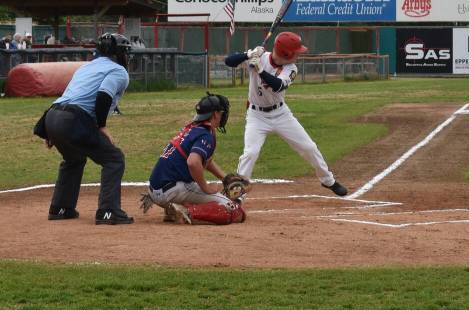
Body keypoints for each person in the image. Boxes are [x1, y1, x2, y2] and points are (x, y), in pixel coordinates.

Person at [225, 32, 348, 196]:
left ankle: (328, 181)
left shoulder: (291, 68)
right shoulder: (260, 57)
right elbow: (229, 61)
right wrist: (248, 54)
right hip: (257, 116)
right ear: (286, 53)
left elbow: (278, 86)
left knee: (309, 147)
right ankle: (237, 194)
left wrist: (260, 70)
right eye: (295, 52)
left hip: (281, 114)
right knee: (250, 153)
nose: (298, 55)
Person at [33, 32, 134, 224]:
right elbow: (104, 95)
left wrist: (49, 131)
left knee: (74, 158)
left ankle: (61, 208)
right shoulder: (118, 71)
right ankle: (108, 211)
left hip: (53, 116)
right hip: (72, 118)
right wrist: (102, 127)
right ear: (119, 53)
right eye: (125, 52)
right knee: (114, 159)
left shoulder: (86, 67)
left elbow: (68, 96)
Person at [140, 93, 245, 225]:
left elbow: (204, 160)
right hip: (173, 190)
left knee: (191, 187)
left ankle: (173, 207)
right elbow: (193, 162)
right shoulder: (205, 134)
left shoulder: (192, 128)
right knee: (234, 210)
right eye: (221, 112)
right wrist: (205, 187)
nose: (223, 115)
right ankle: (187, 211)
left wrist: (224, 178)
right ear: (215, 114)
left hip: (156, 190)